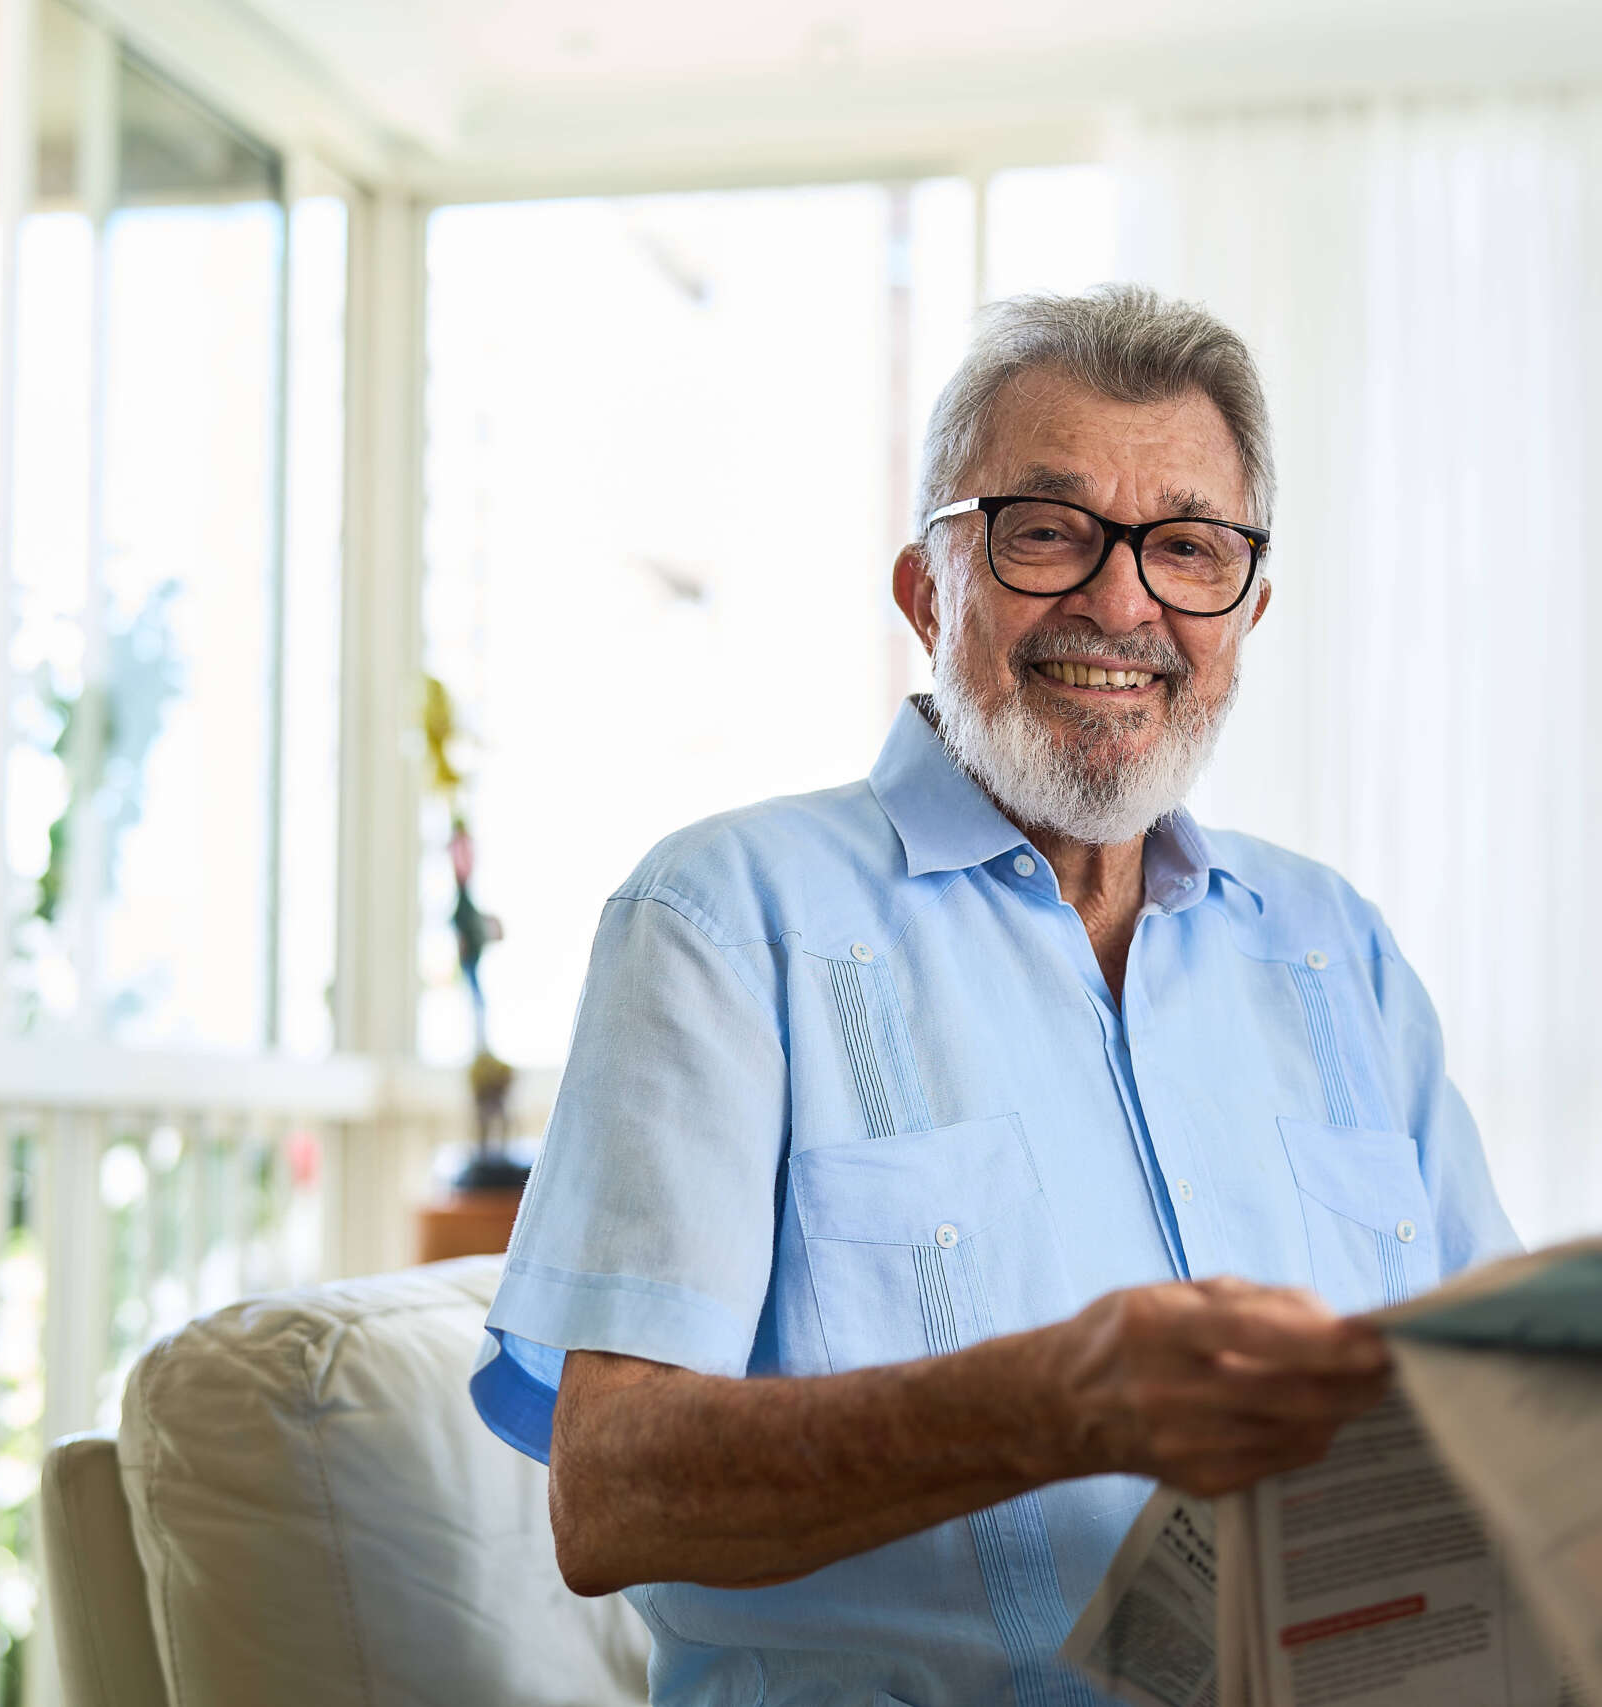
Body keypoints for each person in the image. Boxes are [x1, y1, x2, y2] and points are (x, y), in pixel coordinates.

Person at [470, 284, 1518, 1706]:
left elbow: (1503, 1418)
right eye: (1047, 532)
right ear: (927, 589)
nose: (1123, 600)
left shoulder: (1338, 950)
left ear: (1247, 611)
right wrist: (1055, 1401)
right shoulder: (725, 918)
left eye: (1188, 549)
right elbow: (614, 1497)